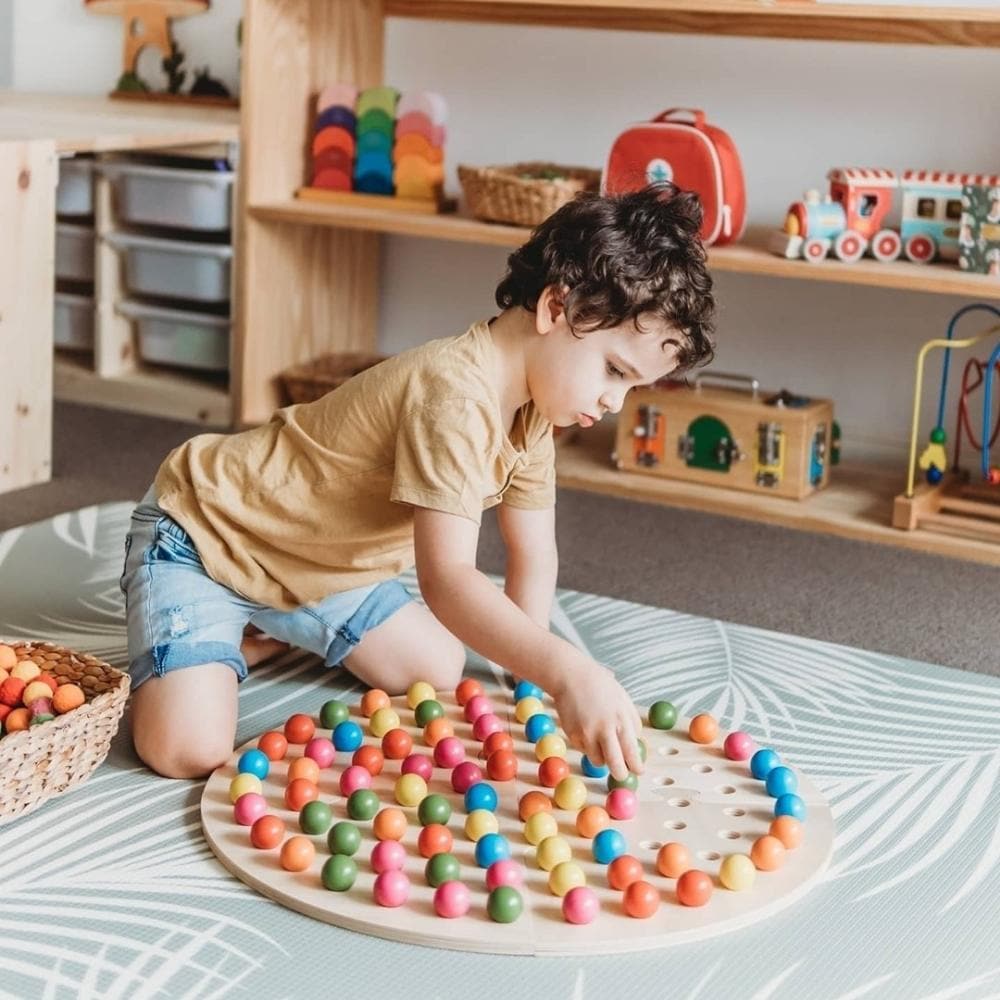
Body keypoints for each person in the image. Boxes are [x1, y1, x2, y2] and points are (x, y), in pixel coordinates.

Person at [120, 182, 715, 781]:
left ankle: (257, 626)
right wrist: (571, 673)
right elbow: (448, 580)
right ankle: (226, 618)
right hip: (206, 535)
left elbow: (533, 555)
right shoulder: (455, 393)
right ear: (555, 308)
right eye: (614, 370)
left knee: (437, 667)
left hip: (322, 568)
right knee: (187, 751)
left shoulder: (537, 410)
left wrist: (535, 682)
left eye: (631, 386)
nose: (614, 401)